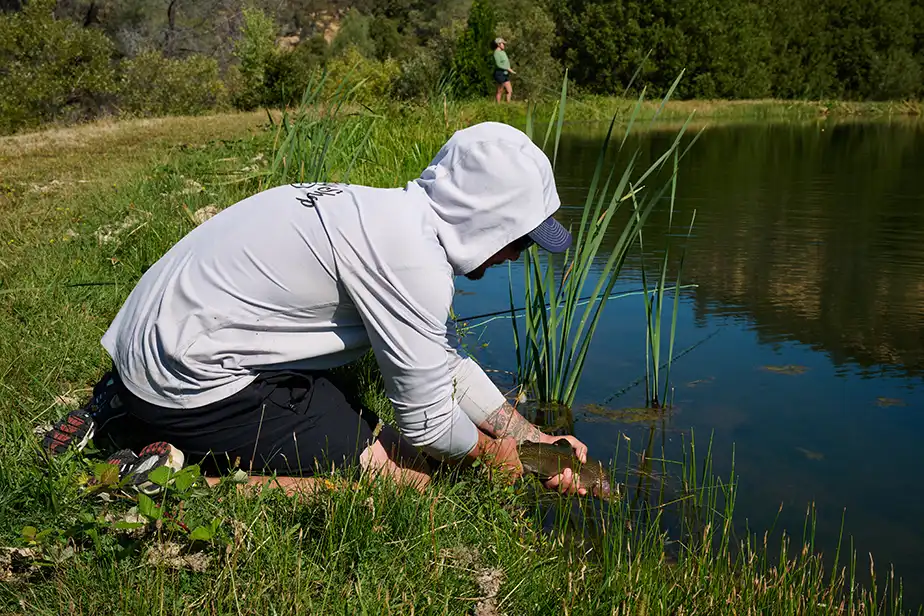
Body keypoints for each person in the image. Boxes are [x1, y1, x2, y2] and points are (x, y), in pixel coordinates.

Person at [42, 121, 590, 498]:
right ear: (485, 218)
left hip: (155, 344)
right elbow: (426, 426)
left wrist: (532, 442)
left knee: (378, 437)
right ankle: (165, 485)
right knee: (406, 479)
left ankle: (124, 407)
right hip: (187, 377)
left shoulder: (383, 215)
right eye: (519, 238)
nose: (518, 253)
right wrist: (494, 456)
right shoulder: (412, 264)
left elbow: (440, 365)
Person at [491, 38, 515, 103]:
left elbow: (506, 63)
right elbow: (498, 64)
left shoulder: (503, 52)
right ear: (498, 44)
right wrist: (508, 69)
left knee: (509, 90)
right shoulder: (496, 53)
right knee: (500, 90)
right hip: (499, 73)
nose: (504, 45)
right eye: (503, 44)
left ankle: (508, 105)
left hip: (505, 73)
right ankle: (498, 106)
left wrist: (509, 69)